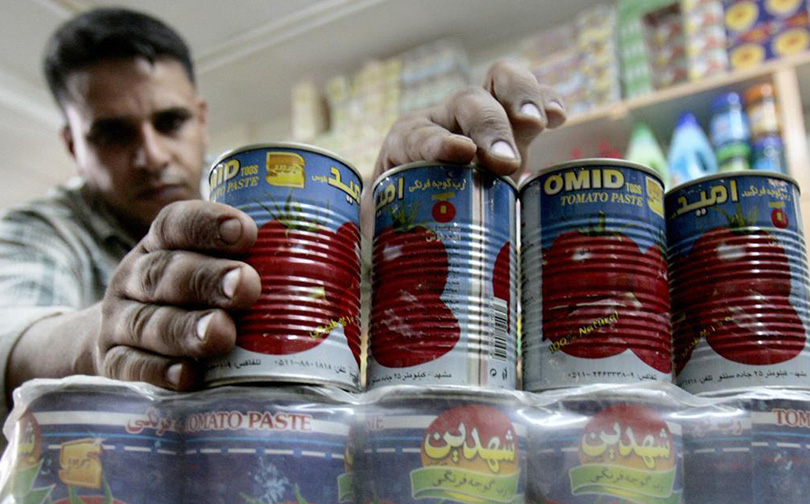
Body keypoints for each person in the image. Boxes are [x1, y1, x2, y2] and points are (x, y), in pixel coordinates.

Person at [0, 8, 565, 416]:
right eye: (112, 133)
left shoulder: (255, 202)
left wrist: (380, 235)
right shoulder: (43, 229)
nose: (150, 154)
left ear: (201, 118)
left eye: (170, 122)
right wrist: (105, 337)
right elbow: (13, 335)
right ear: (72, 144)